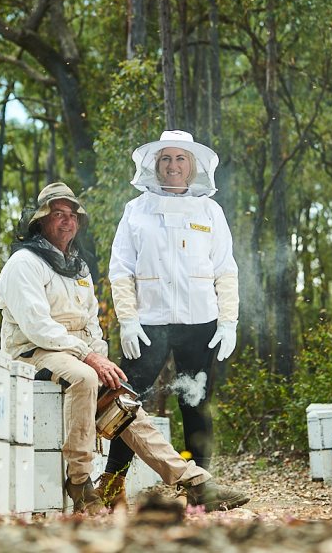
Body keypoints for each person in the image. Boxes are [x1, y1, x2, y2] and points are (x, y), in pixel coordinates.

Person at [0, 181, 249, 514]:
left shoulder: (77, 268)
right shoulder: (24, 263)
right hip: (33, 351)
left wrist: (97, 355)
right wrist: (90, 358)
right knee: (86, 378)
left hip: (73, 353)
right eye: (57, 214)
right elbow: (38, 327)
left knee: (124, 398)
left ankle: (194, 481)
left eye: (71, 215)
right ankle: (80, 483)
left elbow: (90, 323)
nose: (66, 221)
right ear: (40, 221)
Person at [94, 130, 239, 508]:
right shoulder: (135, 210)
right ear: (154, 166)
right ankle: (112, 483)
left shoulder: (210, 211)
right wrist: (127, 318)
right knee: (125, 402)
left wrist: (228, 321)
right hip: (149, 322)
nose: (173, 166)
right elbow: (121, 269)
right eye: (165, 160)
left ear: (192, 167)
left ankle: (198, 490)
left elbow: (225, 270)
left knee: (195, 403)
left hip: (200, 322)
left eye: (180, 159)